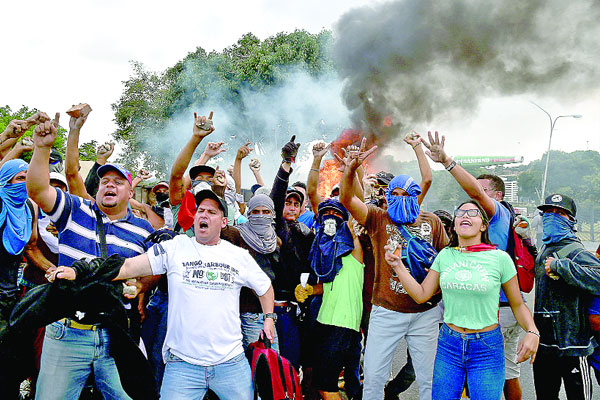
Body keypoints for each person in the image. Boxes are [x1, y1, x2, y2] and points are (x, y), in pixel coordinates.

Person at [49, 188, 276, 400]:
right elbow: (127, 267)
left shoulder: (238, 256)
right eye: (200, 210)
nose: (203, 215)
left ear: (224, 222)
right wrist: (81, 271)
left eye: (211, 212)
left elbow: (264, 287)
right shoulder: (175, 248)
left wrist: (268, 319)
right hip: (182, 366)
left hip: (231, 364)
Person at [26, 113, 155, 399]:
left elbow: (156, 266)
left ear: (131, 191)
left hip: (117, 334)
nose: (110, 185)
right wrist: (42, 148)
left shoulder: (144, 230)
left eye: (118, 181)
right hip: (67, 333)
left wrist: (143, 286)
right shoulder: (74, 210)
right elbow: (36, 189)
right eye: (105, 180)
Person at [384, 200, 539, 399]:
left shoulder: (499, 258)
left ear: (483, 225)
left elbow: (518, 304)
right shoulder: (445, 256)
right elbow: (422, 295)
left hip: (486, 347)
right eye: (460, 213)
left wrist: (532, 331)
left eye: (472, 213)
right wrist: (397, 265)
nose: (465, 215)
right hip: (449, 344)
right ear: (455, 225)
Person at [422, 131, 531, 399]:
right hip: (478, 319)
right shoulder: (453, 252)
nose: (474, 197)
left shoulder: (496, 213)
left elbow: (519, 303)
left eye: (482, 191)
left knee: (501, 375)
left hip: (496, 313)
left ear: (497, 195)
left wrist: (447, 162)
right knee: (500, 375)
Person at [338, 138, 447, 400]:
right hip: (386, 310)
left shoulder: (431, 221)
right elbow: (346, 198)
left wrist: (418, 147)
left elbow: (445, 261)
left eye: (405, 194)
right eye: (394, 193)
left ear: (416, 195)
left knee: (429, 378)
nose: (399, 198)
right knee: (374, 376)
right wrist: (350, 170)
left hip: (426, 313)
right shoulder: (377, 218)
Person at [295, 199, 364, 400]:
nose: (331, 219)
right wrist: (308, 290)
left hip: (343, 324)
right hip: (323, 321)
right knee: (319, 382)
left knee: (327, 386)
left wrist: (352, 174)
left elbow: (352, 215)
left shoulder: (353, 249)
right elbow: (328, 286)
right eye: (326, 215)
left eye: (337, 214)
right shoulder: (325, 256)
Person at [533, 194, 600, 400]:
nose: (552, 217)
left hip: (573, 346)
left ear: (572, 221)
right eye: (548, 212)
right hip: (544, 345)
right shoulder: (545, 249)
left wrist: (562, 266)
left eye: (560, 213)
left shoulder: (577, 251)